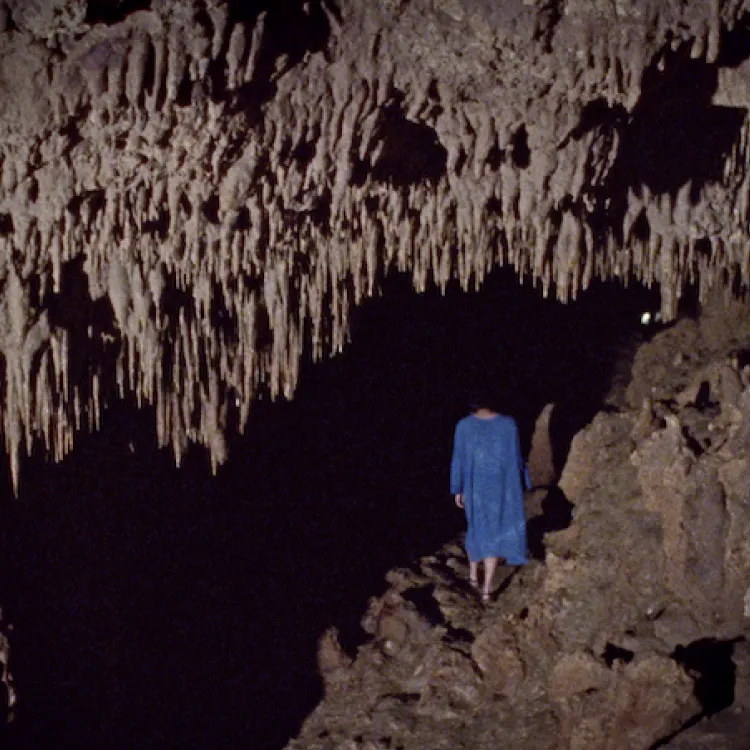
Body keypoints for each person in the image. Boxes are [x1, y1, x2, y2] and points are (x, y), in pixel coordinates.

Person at [450, 397, 529, 603]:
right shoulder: (508, 424)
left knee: (476, 528)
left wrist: (457, 488)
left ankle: (473, 577)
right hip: (500, 487)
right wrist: (523, 482)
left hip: (474, 487)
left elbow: (459, 459)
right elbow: (516, 458)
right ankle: (486, 589)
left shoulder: (464, 426)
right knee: (493, 533)